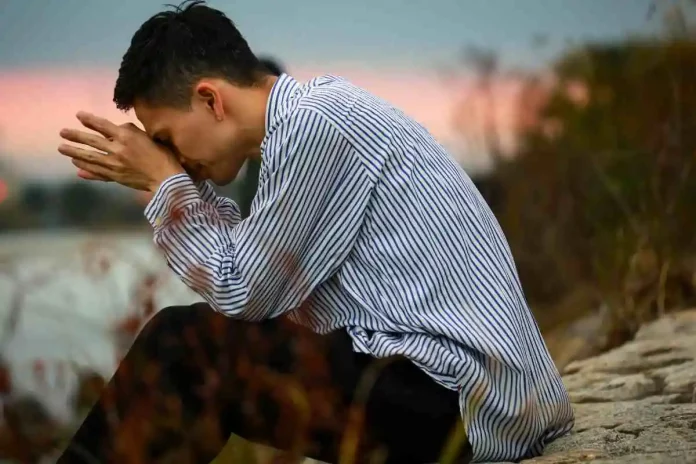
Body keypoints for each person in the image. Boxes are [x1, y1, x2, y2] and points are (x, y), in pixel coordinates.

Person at [55, 1, 574, 463]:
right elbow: (255, 269)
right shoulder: (316, 116)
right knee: (193, 348)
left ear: (211, 100)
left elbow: (242, 291)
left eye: (167, 138)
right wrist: (176, 182)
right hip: (470, 396)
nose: (175, 156)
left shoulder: (314, 126)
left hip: (463, 404)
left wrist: (165, 184)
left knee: (186, 345)